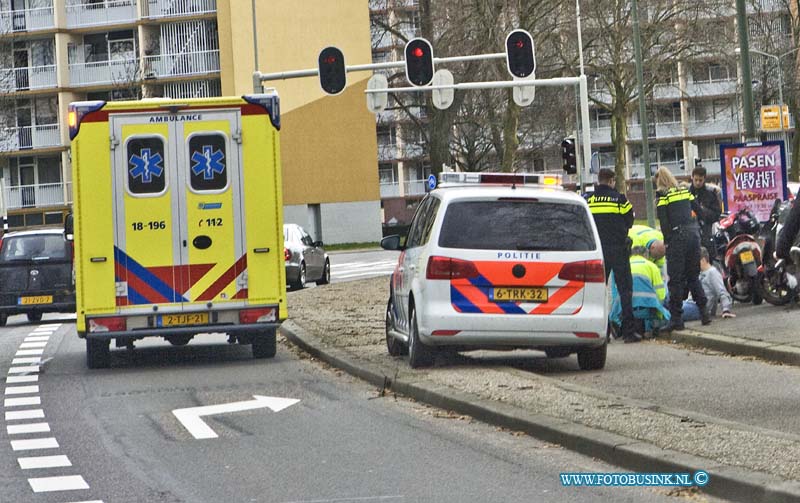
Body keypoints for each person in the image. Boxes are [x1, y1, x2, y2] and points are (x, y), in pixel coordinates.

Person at [584, 168, 640, 343]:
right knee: (625, 290)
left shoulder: (589, 200)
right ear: (611, 181)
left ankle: (604, 331)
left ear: (599, 180)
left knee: (599, 291)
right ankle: (629, 332)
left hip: (598, 251)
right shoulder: (620, 200)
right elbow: (630, 221)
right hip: (618, 249)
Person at [654, 166, 710, 331]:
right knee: (693, 276)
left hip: (678, 238)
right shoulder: (685, 191)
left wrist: (668, 242)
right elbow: (699, 211)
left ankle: (676, 320)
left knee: (676, 281)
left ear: (659, 181)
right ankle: (704, 313)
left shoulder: (662, 196)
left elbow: (664, 224)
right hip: (693, 236)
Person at [610, 246, 670, 338]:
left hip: (625, 311)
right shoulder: (651, 266)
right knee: (667, 316)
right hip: (646, 311)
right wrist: (660, 312)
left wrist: (615, 314)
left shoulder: (622, 266)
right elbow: (660, 294)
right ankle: (650, 328)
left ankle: (619, 327)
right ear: (646, 255)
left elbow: (614, 293)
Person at [682, 247, 735, 321]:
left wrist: (726, 310)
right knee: (669, 300)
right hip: (689, 303)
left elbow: (722, 292)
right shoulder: (699, 273)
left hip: (698, 307)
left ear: (703, 260)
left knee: (674, 312)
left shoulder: (712, 273)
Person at [688, 166, 722, 260]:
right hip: (691, 233)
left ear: (704, 179)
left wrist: (702, 211)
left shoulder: (710, 194)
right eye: (696, 180)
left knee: (709, 258)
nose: (698, 182)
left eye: (700, 180)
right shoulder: (686, 193)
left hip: (706, 232)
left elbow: (717, 213)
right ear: (692, 178)